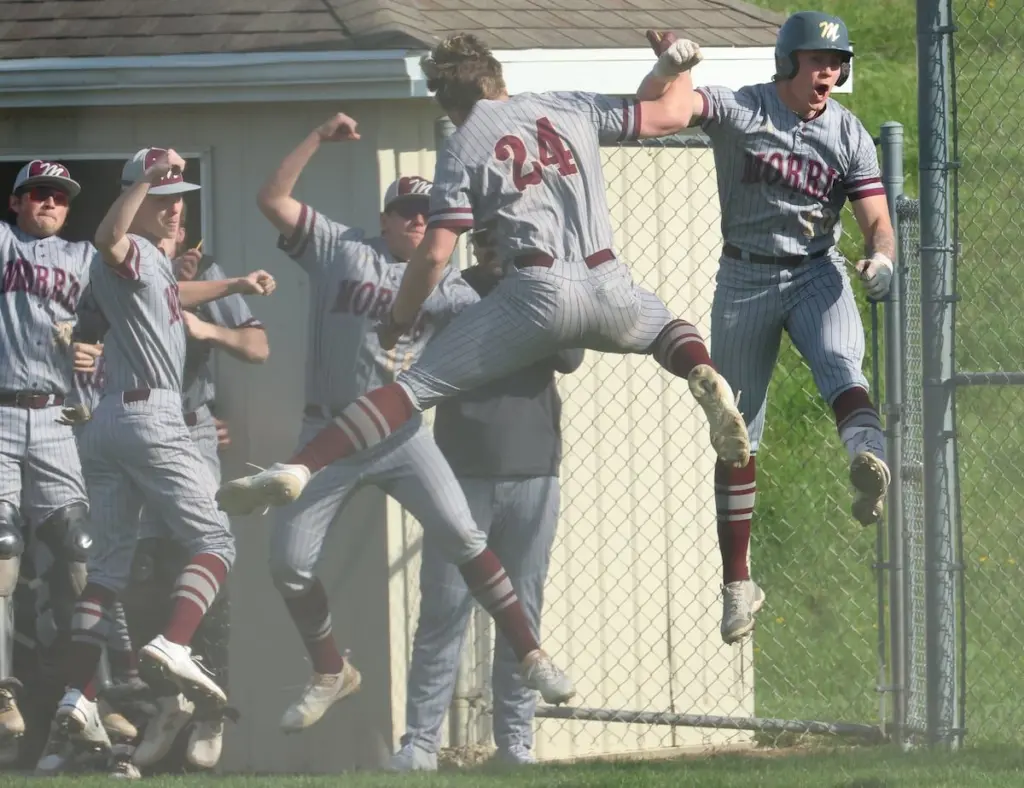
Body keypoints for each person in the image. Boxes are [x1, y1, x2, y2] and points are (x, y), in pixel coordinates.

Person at [217, 33, 747, 699]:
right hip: (610, 283)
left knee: (412, 388)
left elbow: (438, 252)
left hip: (538, 291)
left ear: (448, 98)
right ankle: (699, 371)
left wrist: (401, 316)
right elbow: (666, 114)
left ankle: (300, 465)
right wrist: (672, 65)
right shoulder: (565, 103)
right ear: (498, 75)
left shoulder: (466, 139)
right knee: (671, 328)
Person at [251, 119, 572, 731]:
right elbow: (271, 199)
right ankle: (329, 671)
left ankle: (531, 653)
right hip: (327, 437)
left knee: (465, 538)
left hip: (399, 436)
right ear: (387, 217)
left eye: (428, 214)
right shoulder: (342, 248)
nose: (418, 222)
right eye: (406, 212)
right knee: (287, 564)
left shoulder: (449, 285)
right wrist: (315, 136)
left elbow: (516, 336)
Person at [642, 14, 895, 644]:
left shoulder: (847, 133)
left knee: (841, 364)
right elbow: (659, 112)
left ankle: (869, 460)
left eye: (836, 62)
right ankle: (738, 583)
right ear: (786, 62)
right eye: (816, 61)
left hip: (816, 271)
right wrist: (673, 66)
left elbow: (876, 219)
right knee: (735, 431)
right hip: (747, 277)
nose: (828, 74)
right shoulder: (741, 108)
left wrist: (882, 256)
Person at [48, 147, 276, 760]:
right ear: (138, 198)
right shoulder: (129, 248)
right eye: (163, 198)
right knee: (217, 539)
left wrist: (233, 282)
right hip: (151, 417)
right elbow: (107, 236)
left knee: (107, 570)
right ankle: (176, 644)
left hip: (107, 425)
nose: (175, 209)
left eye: (180, 199)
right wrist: (143, 182)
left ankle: (78, 694)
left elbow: (174, 290)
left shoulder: (153, 263)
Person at [388, 230, 583, 771]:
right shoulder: (456, 292)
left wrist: (534, 282)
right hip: (460, 473)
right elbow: (418, 346)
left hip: (534, 470)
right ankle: (421, 744)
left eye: (509, 242)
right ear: (476, 244)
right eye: (490, 241)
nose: (498, 252)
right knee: (445, 608)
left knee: (521, 610)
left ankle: (514, 744)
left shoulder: (544, 290)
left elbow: (570, 355)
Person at [129, 204, 268, 773]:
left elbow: (257, 348)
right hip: (133, 428)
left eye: (178, 217)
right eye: (157, 215)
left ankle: (212, 706)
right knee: (141, 568)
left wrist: (204, 325)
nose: (170, 227)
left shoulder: (209, 273)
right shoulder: (123, 270)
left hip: (190, 427)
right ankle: (167, 701)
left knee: (208, 559)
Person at [0, 161, 97, 750]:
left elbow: (142, 300)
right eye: (37, 194)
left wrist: (96, 346)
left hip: (60, 415)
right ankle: (1, 691)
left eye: (60, 197)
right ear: (16, 203)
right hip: (3, 408)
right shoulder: (4, 243)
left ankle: (94, 694)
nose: (50, 203)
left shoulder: (85, 258)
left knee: (83, 552)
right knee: (2, 548)